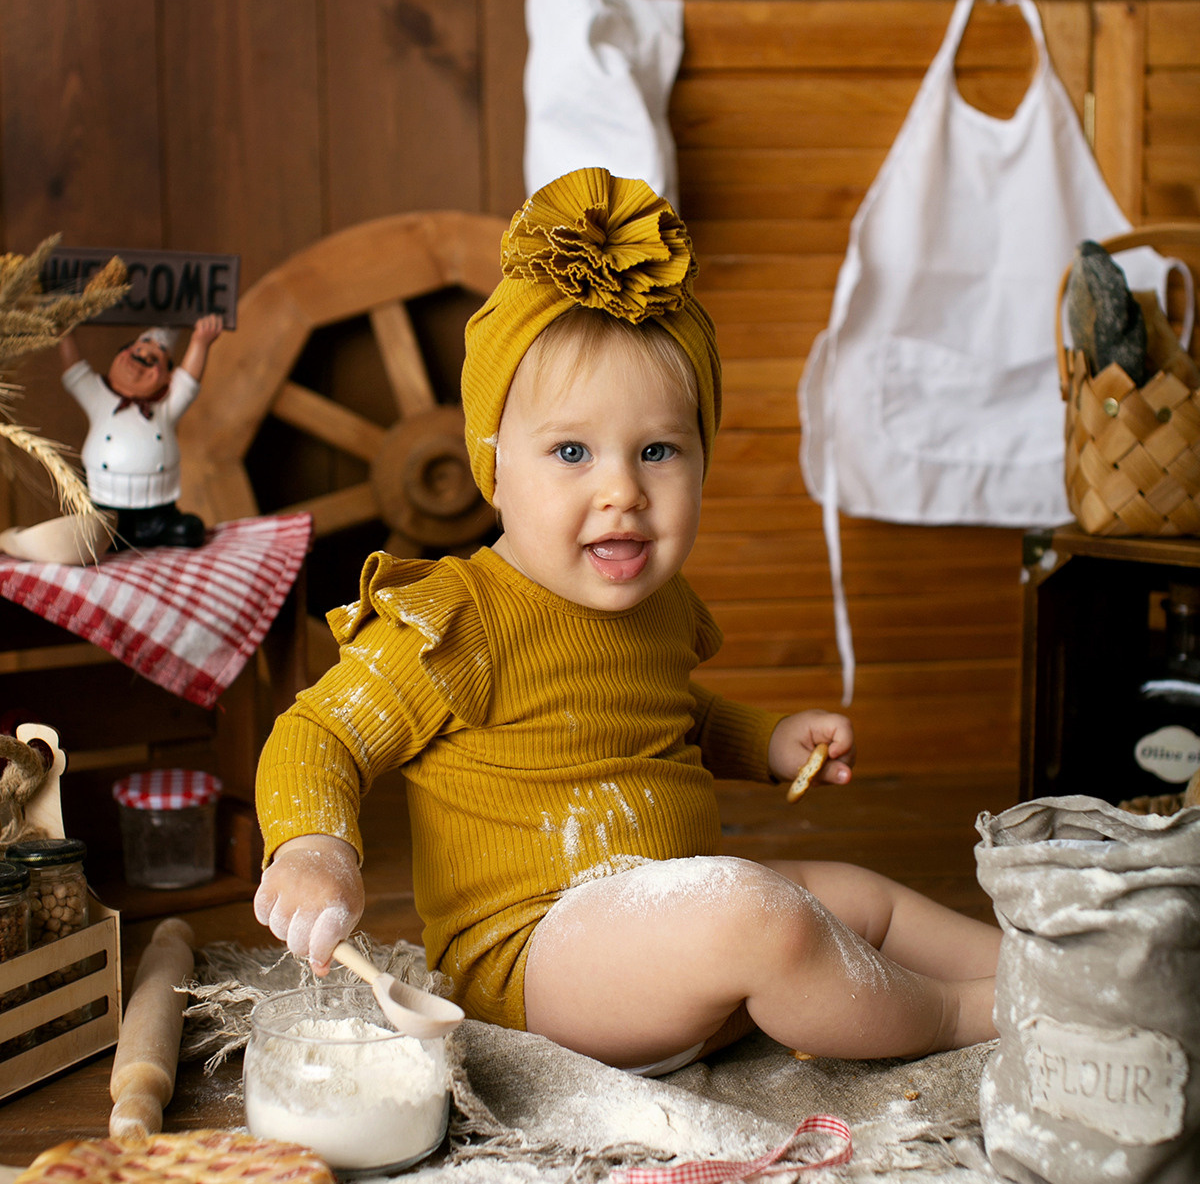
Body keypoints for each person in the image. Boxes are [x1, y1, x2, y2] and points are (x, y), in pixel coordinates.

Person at [254, 170, 999, 1073]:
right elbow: (319, 733)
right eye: (572, 452)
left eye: (658, 451)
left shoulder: (658, 607)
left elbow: (667, 712)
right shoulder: (459, 618)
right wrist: (314, 846)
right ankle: (965, 1015)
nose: (623, 492)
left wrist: (764, 740)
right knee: (760, 915)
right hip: (541, 962)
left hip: (680, 934)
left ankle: (1049, 968)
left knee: (853, 898)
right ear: (496, 467)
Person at [59, 316, 223, 548]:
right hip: (106, 504)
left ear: (168, 377)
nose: (143, 358)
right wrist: (65, 333)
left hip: (159, 507)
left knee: (188, 531)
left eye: (153, 359)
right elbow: (74, 372)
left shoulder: (166, 406)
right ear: (119, 356)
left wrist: (200, 343)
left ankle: (160, 528)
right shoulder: (98, 396)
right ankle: (108, 532)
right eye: (136, 352)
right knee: (92, 536)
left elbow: (189, 382)